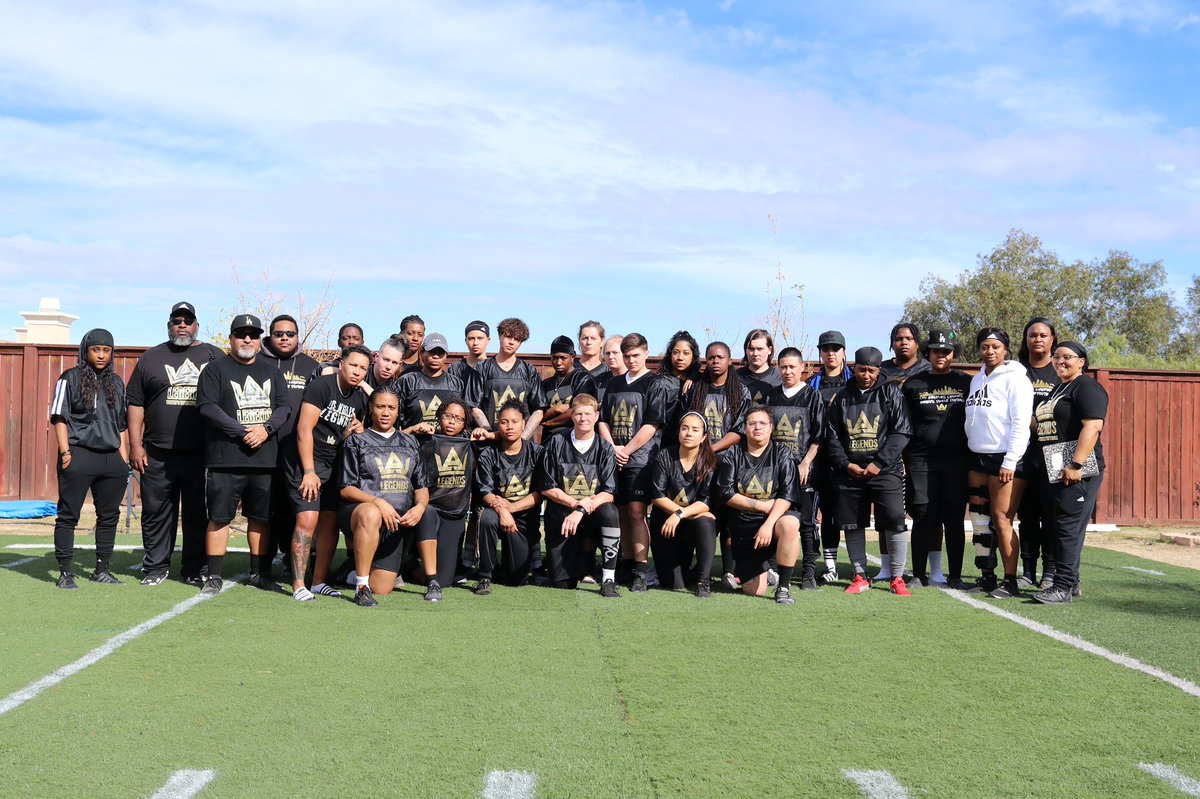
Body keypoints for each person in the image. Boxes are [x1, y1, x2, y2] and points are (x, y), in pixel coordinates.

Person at [125, 301, 223, 586]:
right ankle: (156, 567)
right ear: (169, 325)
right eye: (176, 320)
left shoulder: (214, 356)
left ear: (196, 325)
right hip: (157, 451)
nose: (182, 325)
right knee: (156, 512)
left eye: (187, 321)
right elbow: (135, 403)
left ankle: (193, 568)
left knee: (197, 513)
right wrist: (135, 445)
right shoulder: (151, 357)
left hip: (201, 452)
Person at [195, 314, 291, 595]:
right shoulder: (215, 370)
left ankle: (258, 573)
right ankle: (214, 576)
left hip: (264, 459)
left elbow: (284, 407)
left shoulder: (272, 371)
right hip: (226, 459)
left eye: (253, 334)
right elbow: (207, 407)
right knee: (220, 517)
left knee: (260, 518)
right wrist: (242, 432)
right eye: (241, 334)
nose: (247, 339)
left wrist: (267, 429)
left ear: (260, 339)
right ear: (231, 338)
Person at [824, 346, 913, 596]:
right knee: (852, 524)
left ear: (878, 370)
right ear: (854, 368)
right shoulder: (841, 397)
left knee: (895, 520)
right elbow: (832, 438)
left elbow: (901, 431)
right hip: (850, 472)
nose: (866, 375)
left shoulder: (890, 393)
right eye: (861, 369)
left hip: (885, 471)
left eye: (871, 370)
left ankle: (897, 577)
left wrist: (879, 463)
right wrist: (845, 464)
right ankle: (860, 575)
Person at [287, 345, 372, 601]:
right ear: (342, 363)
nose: (357, 372)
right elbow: (304, 430)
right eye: (354, 365)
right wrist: (309, 471)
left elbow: (345, 434)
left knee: (329, 525)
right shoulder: (321, 387)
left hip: (334, 464)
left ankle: (318, 582)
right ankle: (298, 585)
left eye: (363, 368)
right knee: (307, 521)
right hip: (306, 462)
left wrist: (357, 429)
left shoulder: (359, 398)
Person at [339, 387, 433, 607]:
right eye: (380, 406)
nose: (385, 412)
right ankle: (361, 587)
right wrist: (378, 502)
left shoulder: (410, 442)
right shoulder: (356, 441)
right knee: (371, 512)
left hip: (396, 524)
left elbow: (421, 487)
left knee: (382, 588)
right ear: (371, 408)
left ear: (398, 411)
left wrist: (420, 507)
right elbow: (346, 489)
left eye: (391, 408)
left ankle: (347, 574)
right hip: (361, 514)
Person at [50, 328, 129, 589]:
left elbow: (121, 426)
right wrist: (65, 453)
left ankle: (102, 570)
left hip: (111, 459)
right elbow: (60, 418)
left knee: (109, 516)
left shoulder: (116, 383)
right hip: (78, 455)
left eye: (106, 350)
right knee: (68, 515)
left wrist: (124, 461)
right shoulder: (68, 378)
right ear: (86, 351)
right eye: (96, 350)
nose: (101, 355)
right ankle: (65, 573)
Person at [1031, 342, 1108, 605]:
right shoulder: (1059, 387)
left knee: (1067, 528)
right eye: (1057, 357)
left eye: (1068, 357)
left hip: (1076, 465)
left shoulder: (1087, 387)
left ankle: (1062, 587)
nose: (1061, 361)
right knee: (1056, 526)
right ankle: (1071, 583)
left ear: (1081, 361)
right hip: (1054, 461)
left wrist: (1076, 464)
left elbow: (1093, 426)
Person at [964, 327, 1034, 599]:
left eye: (995, 347)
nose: (990, 351)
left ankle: (1010, 580)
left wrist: (1011, 461)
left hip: (1004, 457)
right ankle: (986, 576)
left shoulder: (1016, 379)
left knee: (1002, 520)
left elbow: (1021, 423)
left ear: (1006, 349)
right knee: (980, 520)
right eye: (984, 347)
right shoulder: (976, 379)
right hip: (976, 456)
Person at [598, 333, 671, 592]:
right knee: (620, 513)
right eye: (626, 356)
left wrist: (626, 450)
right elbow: (603, 420)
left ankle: (641, 569)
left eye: (635, 355)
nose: (630, 360)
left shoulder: (655, 384)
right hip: (613, 457)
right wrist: (612, 448)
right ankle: (626, 564)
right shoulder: (614, 383)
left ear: (646, 353)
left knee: (638, 513)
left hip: (641, 459)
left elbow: (652, 424)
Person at [900, 330, 972, 589]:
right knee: (923, 516)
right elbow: (904, 425)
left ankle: (955, 577)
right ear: (927, 353)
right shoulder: (913, 384)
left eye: (946, 351)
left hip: (957, 461)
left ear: (953, 354)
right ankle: (918, 574)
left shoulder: (967, 382)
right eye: (935, 351)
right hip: (921, 461)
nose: (940, 355)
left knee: (954, 519)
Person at [715, 406, 801, 604]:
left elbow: (787, 495)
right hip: (744, 527)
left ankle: (784, 588)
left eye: (762, 423)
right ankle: (765, 569)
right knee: (754, 591)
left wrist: (768, 524)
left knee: (790, 525)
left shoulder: (782, 453)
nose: (757, 428)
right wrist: (760, 506)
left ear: (771, 428)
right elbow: (726, 493)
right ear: (744, 429)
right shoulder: (733, 454)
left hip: (775, 520)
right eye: (751, 423)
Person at [537, 395, 621, 596]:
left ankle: (608, 579)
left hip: (589, 517)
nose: (583, 418)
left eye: (588, 414)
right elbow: (546, 487)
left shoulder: (605, 448)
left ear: (596, 416)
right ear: (572, 416)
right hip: (562, 519)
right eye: (578, 414)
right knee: (563, 584)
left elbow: (608, 493)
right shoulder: (556, 442)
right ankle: (580, 565)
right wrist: (574, 504)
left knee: (610, 512)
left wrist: (581, 510)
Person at [685, 341, 750, 590]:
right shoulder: (696, 388)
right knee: (703, 515)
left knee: (729, 519)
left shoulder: (740, 390)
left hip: (729, 463)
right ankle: (700, 568)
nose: (714, 361)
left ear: (729, 360)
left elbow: (739, 430)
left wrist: (712, 447)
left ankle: (729, 571)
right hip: (700, 463)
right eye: (710, 357)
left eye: (720, 357)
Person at [259, 314, 321, 576]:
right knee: (264, 507)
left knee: (290, 507)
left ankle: (289, 557)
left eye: (290, 334)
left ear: (298, 337)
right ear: (270, 336)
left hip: (296, 450)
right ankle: (261, 562)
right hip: (261, 447)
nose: (284, 338)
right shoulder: (256, 361)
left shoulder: (311, 366)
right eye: (279, 334)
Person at [764, 347, 823, 590]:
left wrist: (806, 462)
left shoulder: (812, 396)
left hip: (803, 469)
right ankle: (772, 567)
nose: (788, 371)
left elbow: (819, 436)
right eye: (783, 367)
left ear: (802, 368)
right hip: (775, 471)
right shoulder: (771, 396)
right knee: (774, 517)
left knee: (807, 522)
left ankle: (809, 571)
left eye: (792, 367)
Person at [475, 400, 543, 592]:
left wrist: (510, 508)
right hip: (497, 513)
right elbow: (485, 492)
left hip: (523, 520)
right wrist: (501, 510)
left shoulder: (537, 453)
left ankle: (502, 568)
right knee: (487, 518)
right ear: (498, 424)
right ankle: (484, 576)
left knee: (516, 579)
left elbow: (540, 494)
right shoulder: (489, 454)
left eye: (515, 421)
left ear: (524, 424)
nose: (510, 426)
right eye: (504, 422)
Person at [648, 412, 719, 597]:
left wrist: (680, 515)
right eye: (685, 428)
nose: (689, 433)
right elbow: (657, 496)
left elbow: (705, 502)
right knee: (675, 585)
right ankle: (684, 570)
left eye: (695, 430)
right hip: (665, 525)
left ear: (703, 436)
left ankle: (703, 581)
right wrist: (679, 513)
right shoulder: (664, 456)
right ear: (678, 432)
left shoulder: (710, 461)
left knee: (706, 522)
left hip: (689, 525)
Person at [1017, 317, 1061, 589]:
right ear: (1026, 339)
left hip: (1055, 452)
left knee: (1053, 515)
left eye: (1043, 335)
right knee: (1028, 515)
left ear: (1052, 340)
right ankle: (1028, 570)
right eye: (1032, 335)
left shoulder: (1061, 371)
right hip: (1023, 453)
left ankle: (1051, 572)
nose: (1038, 339)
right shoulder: (1016, 372)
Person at [419, 400, 476, 591]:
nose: (452, 422)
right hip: (429, 510)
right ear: (439, 417)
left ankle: (413, 568)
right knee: (425, 512)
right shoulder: (426, 440)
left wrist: (486, 432)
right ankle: (409, 561)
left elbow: (500, 436)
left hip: (454, 513)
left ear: (465, 423)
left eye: (458, 419)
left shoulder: (471, 443)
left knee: (444, 580)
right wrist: (412, 429)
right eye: (448, 416)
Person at [809, 330, 850, 583]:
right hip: (816, 458)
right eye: (826, 349)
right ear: (820, 353)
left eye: (836, 348)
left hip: (845, 458)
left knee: (838, 514)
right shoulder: (812, 384)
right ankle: (821, 566)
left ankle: (845, 566)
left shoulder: (854, 381)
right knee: (815, 513)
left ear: (844, 351)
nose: (831, 353)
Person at [470, 317, 546, 440]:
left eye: (516, 339)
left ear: (521, 343)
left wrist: (522, 439)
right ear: (500, 336)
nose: (511, 342)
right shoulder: (481, 368)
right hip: (489, 444)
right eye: (508, 336)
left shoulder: (529, 370)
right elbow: (474, 406)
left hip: (521, 446)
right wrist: (490, 434)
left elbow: (538, 410)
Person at [394, 333, 481, 434]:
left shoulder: (456, 384)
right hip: (414, 446)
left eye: (440, 353)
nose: (435, 356)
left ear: (446, 356)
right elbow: (396, 422)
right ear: (422, 352)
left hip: (446, 447)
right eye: (431, 352)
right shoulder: (407, 382)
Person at [540, 336, 599, 442]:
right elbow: (538, 413)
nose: (558, 362)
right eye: (555, 358)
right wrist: (556, 410)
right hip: (548, 440)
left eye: (563, 358)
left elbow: (578, 410)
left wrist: (549, 422)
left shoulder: (582, 379)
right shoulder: (546, 384)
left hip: (573, 440)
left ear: (572, 357)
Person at [657, 330, 702, 442]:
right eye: (676, 352)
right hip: (663, 442)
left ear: (693, 356)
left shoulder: (700, 382)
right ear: (670, 354)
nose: (680, 357)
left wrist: (694, 377)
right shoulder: (660, 382)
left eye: (686, 353)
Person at [736, 328, 782, 404]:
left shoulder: (780, 377)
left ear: (770, 350)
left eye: (760, 349)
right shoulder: (736, 377)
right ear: (746, 350)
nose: (755, 354)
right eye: (751, 349)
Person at [594, 334, 627, 405]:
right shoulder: (597, 382)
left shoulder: (636, 379)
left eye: (615, 353)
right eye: (608, 353)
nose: (611, 356)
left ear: (625, 354)